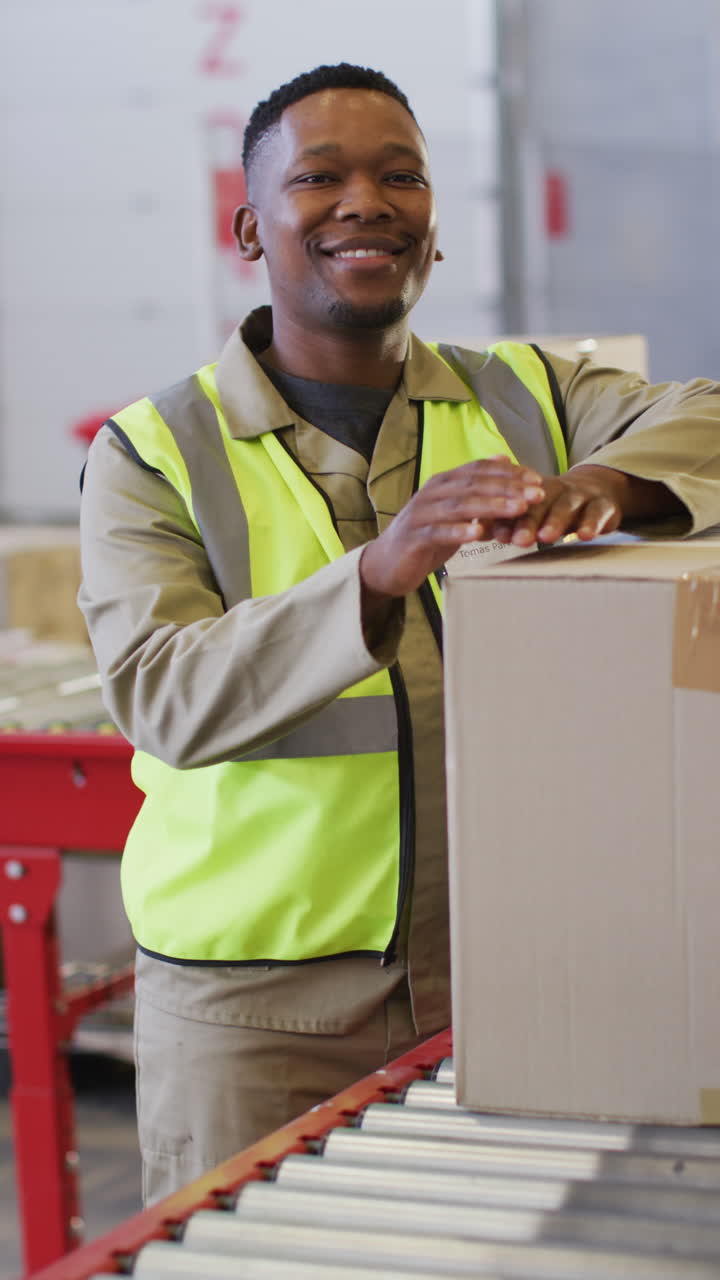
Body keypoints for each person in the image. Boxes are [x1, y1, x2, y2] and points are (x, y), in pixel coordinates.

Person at [79, 62, 720, 1204]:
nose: (366, 201)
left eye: (401, 176)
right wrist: (374, 575)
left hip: (505, 976)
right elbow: (164, 697)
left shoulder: (524, 394)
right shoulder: (154, 451)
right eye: (320, 177)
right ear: (249, 226)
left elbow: (707, 415)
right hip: (258, 1016)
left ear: (431, 226)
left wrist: (608, 483)